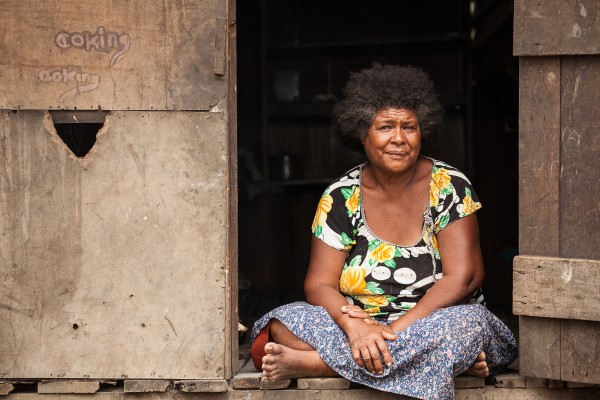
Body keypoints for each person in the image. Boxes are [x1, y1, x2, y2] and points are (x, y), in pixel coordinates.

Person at [249, 64, 517, 400]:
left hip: (436, 323)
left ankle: (322, 364)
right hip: (362, 329)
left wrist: (389, 331)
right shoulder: (341, 197)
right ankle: (442, 364)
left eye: (409, 127)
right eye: (386, 127)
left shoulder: (449, 186)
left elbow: (464, 278)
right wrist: (356, 327)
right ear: (363, 132)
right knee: (284, 322)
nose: (399, 139)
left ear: (423, 131)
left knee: (463, 329)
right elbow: (319, 284)